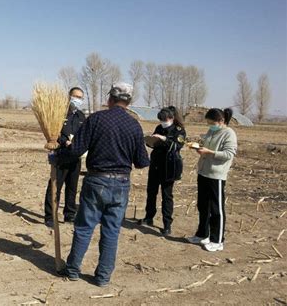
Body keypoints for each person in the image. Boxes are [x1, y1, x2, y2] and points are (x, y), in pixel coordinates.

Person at [56, 82, 150, 287]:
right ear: (129, 102)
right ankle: (103, 277)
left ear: (110, 99)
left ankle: (72, 270)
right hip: (122, 184)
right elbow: (142, 161)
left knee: (84, 227)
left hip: (96, 181)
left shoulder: (96, 119)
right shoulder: (134, 125)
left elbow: (75, 150)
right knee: (111, 231)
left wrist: (57, 156)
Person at [186, 108, 237, 252]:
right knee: (203, 206)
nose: (210, 125)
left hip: (216, 175)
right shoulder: (211, 131)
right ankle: (202, 234)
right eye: (208, 123)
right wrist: (199, 148)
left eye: (212, 123)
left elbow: (229, 154)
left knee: (216, 209)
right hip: (203, 172)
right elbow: (207, 147)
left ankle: (217, 240)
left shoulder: (229, 133)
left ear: (221, 121)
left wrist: (209, 152)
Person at [138, 106, 186, 236]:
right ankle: (149, 217)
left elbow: (177, 145)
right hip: (155, 164)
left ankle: (167, 224)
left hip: (169, 166)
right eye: (160, 120)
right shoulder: (159, 128)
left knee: (167, 196)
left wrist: (164, 139)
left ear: (171, 118)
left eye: (164, 119)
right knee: (151, 192)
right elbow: (153, 143)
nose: (162, 122)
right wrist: (150, 140)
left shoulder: (179, 130)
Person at [43, 87, 86, 227]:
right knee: (55, 186)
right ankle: (50, 216)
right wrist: (64, 141)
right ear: (69, 97)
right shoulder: (60, 113)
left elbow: (84, 134)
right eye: (76, 97)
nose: (78, 100)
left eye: (80, 98)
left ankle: (69, 214)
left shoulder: (81, 116)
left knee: (72, 187)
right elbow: (54, 132)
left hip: (75, 157)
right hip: (61, 156)